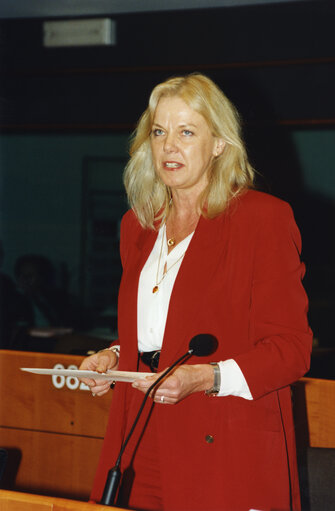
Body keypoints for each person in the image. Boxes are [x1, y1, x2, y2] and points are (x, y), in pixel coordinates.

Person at [79, 73, 312, 511]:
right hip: (139, 435)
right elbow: (162, 325)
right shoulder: (138, 225)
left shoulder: (262, 219)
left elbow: (292, 349)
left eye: (187, 132)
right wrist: (114, 355)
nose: (169, 146)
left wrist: (204, 377)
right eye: (160, 132)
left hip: (223, 435)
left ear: (219, 144)